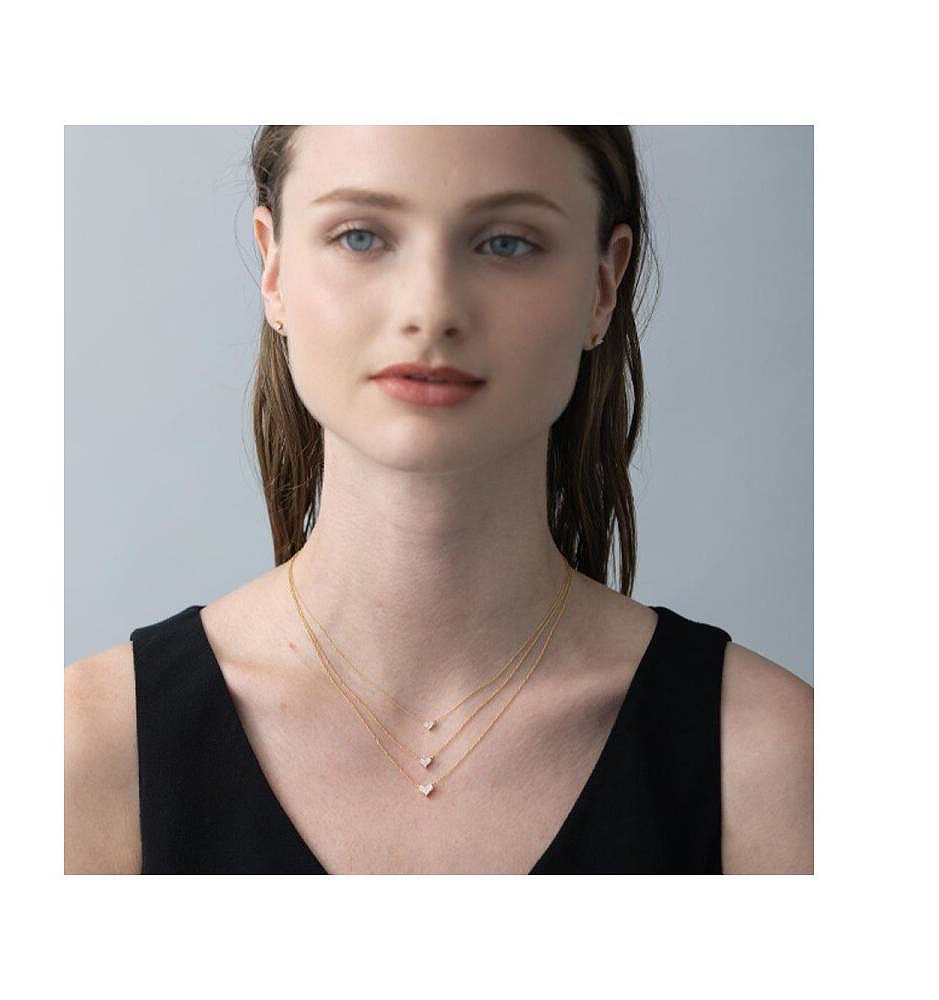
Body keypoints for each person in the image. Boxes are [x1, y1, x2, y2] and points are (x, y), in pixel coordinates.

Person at [64, 126, 813, 875]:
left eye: (507, 243)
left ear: (602, 285)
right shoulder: (86, 752)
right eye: (361, 237)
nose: (430, 309)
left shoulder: (775, 761)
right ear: (275, 268)